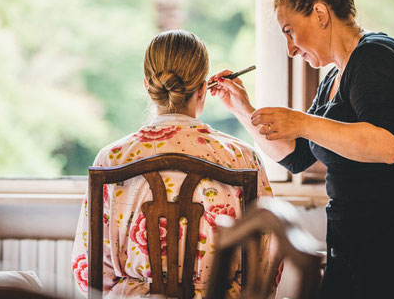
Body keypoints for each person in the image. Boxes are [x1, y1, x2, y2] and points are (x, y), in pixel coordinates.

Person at [210, 0, 394, 299]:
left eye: (289, 30)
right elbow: (297, 157)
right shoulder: (333, 78)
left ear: (320, 14)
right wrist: (241, 106)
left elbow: (386, 145)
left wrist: (302, 122)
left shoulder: (377, 58)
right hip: (350, 248)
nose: (290, 48)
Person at [71, 30, 275, 298]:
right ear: (204, 88)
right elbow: (266, 258)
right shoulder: (242, 158)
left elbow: (89, 269)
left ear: (147, 84)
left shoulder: (112, 159)